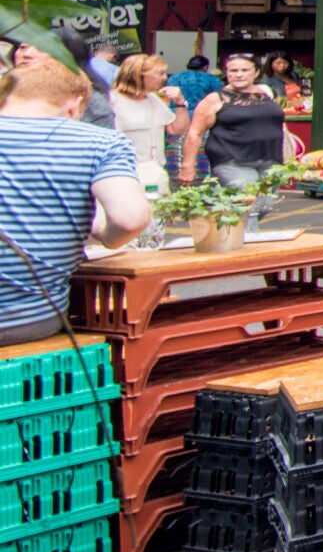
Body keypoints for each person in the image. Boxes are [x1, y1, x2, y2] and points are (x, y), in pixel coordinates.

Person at [0, 53, 150, 345]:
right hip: (26, 321)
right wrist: (105, 235)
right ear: (75, 105)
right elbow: (130, 219)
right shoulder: (100, 142)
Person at [180, 52, 284, 189]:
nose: (239, 75)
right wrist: (188, 166)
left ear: (256, 72)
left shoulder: (266, 93)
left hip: (270, 160)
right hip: (232, 161)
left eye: (245, 70)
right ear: (227, 73)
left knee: (266, 201)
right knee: (247, 196)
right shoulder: (215, 99)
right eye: (233, 71)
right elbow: (195, 133)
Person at [109, 54, 180, 196]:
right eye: (160, 73)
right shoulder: (112, 101)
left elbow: (176, 129)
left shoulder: (154, 99)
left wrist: (180, 102)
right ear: (139, 75)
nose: (165, 77)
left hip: (152, 172)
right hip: (121, 173)